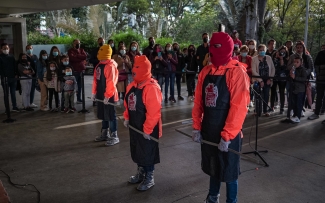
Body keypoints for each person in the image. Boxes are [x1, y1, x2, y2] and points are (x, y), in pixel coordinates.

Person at [192, 32, 250, 203]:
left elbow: (238, 108)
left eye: (216, 46)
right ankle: (212, 197)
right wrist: (196, 126)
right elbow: (198, 102)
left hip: (229, 135)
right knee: (213, 167)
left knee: (229, 171)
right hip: (209, 129)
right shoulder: (205, 71)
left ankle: (231, 201)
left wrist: (228, 135)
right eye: (211, 46)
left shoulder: (237, 73)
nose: (212, 50)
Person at [123, 55, 162, 191]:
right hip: (135, 126)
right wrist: (126, 117)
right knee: (138, 150)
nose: (134, 70)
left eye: (137, 67)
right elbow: (127, 104)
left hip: (148, 129)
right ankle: (141, 172)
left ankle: (149, 177)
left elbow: (154, 112)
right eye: (134, 66)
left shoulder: (151, 88)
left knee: (147, 152)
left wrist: (147, 129)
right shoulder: (132, 86)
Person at [92, 44, 120, 146]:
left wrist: (108, 95)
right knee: (103, 114)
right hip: (100, 94)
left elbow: (111, 82)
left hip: (110, 95)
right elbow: (95, 80)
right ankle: (104, 133)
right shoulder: (99, 65)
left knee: (111, 115)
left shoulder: (110, 66)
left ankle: (114, 135)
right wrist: (94, 92)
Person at [252, 44, 275, 116]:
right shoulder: (254, 59)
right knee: (258, 96)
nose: (262, 51)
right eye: (260, 50)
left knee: (266, 95)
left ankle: (265, 111)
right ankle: (257, 111)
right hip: (257, 80)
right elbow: (253, 71)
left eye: (263, 50)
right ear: (258, 50)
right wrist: (260, 80)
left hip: (267, 80)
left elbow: (272, 69)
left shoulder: (269, 58)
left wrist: (270, 79)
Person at [284, 56, 307, 123]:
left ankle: (298, 117)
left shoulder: (303, 70)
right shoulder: (293, 69)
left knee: (299, 104)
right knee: (294, 103)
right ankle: (294, 115)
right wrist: (290, 74)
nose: (295, 63)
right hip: (294, 89)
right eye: (294, 62)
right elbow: (289, 78)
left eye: (297, 62)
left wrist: (295, 77)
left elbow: (304, 79)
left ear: (301, 63)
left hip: (300, 90)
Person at [0, 43, 20, 112]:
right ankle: (7, 109)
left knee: (13, 93)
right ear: (1, 49)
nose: (6, 50)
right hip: (5, 79)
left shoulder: (12, 56)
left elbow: (15, 66)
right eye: (4, 48)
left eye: (7, 48)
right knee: (6, 94)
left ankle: (14, 106)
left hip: (13, 78)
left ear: (9, 49)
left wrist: (16, 74)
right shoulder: (0, 57)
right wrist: (4, 76)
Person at [270, 46, 289, 114]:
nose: (282, 53)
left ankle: (282, 108)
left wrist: (281, 59)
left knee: (282, 92)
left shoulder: (286, 59)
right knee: (273, 92)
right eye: (281, 51)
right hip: (274, 76)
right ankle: (271, 106)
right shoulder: (274, 58)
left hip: (282, 78)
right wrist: (276, 57)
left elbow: (283, 67)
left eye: (284, 52)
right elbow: (272, 66)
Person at [308, 46, 325, 120]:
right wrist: (319, 74)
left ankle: (323, 111)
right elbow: (316, 65)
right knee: (319, 97)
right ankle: (316, 113)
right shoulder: (321, 54)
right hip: (320, 80)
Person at [68, 39, 87, 103]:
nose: (77, 44)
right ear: (73, 44)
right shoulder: (70, 51)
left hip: (81, 70)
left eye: (78, 43)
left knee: (80, 86)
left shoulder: (81, 50)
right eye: (76, 43)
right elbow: (72, 58)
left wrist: (77, 55)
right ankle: (71, 99)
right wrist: (80, 58)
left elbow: (85, 56)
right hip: (74, 70)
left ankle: (79, 99)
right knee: (73, 85)